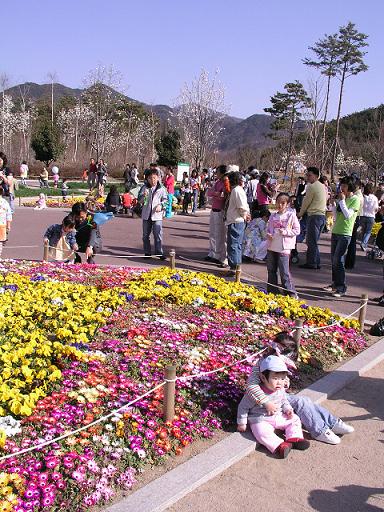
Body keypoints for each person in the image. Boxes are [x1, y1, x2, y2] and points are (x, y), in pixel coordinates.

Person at [238, 332, 354, 446]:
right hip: (267, 398)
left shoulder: (277, 360)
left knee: (305, 400)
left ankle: (332, 422)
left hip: (278, 395)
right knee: (301, 401)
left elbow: (282, 378)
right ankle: (320, 431)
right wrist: (266, 402)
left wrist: (284, 382)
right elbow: (251, 386)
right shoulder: (262, 363)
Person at [237, 355, 310, 458]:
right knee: (261, 432)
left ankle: (294, 437)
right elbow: (243, 407)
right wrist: (242, 423)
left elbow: (284, 400)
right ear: (263, 377)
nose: (279, 382)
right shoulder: (255, 393)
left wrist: (288, 409)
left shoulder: (280, 389)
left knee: (295, 419)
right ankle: (279, 445)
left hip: (278, 415)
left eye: (282, 378)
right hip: (261, 419)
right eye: (275, 378)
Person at [324, 176, 360, 297]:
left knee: (338, 260)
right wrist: (334, 204)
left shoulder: (355, 199)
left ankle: (342, 287)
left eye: (344, 186)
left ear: (350, 187)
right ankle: (335, 283)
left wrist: (342, 201)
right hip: (336, 230)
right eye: (341, 185)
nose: (341, 188)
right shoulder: (341, 199)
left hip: (345, 233)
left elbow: (347, 215)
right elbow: (336, 215)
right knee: (333, 260)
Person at [266, 192, 300, 297]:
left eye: (283, 203)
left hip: (284, 247)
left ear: (287, 204)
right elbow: (268, 229)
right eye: (278, 202)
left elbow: (297, 230)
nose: (280, 205)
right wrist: (269, 234)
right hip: (272, 246)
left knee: (284, 271)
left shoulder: (291, 215)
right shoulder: (273, 216)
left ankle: (291, 292)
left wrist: (285, 232)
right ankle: (272, 290)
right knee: (271, 269)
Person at [298, 167, 327, 270]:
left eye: (310, 175)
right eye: (307, 175)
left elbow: (306, 202)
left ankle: (312, 263)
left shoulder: (312, 186)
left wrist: (300, 213)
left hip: (314, 216)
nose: (308, 177)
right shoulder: (322, 186)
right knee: (314, 241)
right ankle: (316, 262)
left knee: (311, 241)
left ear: (316, 175)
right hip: (321, 216)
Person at [224, 171, 250, 276]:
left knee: (233, 244)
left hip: (236, 220)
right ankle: (236, 266)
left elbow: (241, 206)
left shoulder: (236, 190)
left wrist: (245, 215)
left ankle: (234, 267)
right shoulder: (237, 190)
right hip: (236, 220)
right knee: (236, 244)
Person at [138, 169, 168, 259]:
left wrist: (161, 205)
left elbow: (166, 200)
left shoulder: (162, 189)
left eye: (154, 178)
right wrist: (143, 197)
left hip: (157, 215)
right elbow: (140, 200)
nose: (153, 180)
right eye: (150, 178)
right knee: (145, 235)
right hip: (146, 214)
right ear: (147, 179)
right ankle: (147, 253)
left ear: (158, 178)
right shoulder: (144, 188)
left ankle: (159, 252)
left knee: (158, 234)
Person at [205, 165, 228, 266]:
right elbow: (210, 192)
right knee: (212, 233)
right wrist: (216, 193)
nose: (216, 174)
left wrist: (215, 194)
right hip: (213, 210)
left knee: (220, 234)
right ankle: (212, 253)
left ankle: (219, 256)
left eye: (218, 172)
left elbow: (222, 196)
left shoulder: (225, 183)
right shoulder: (217, 182)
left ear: (222, 173)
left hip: (220, 211)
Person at [345, 177, 363, 269]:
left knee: (351, 242)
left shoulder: (357, 196)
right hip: (355, 218)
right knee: (351, 242)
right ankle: (349, 262)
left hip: (354, 219)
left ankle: (349, 262)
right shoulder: (357, 195)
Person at [359, 183, 379, 251]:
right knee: (368, 232)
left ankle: (364, 243)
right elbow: (376, 208)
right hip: (371, 216)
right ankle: (364, 243)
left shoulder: (363, 196)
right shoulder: (374, 198)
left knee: (363, 231)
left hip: (363, 215)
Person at [0, 185, 12, 258]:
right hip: (2, 224)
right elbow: (9, 215)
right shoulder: (5, 202)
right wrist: (9, 226)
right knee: (1, 241)